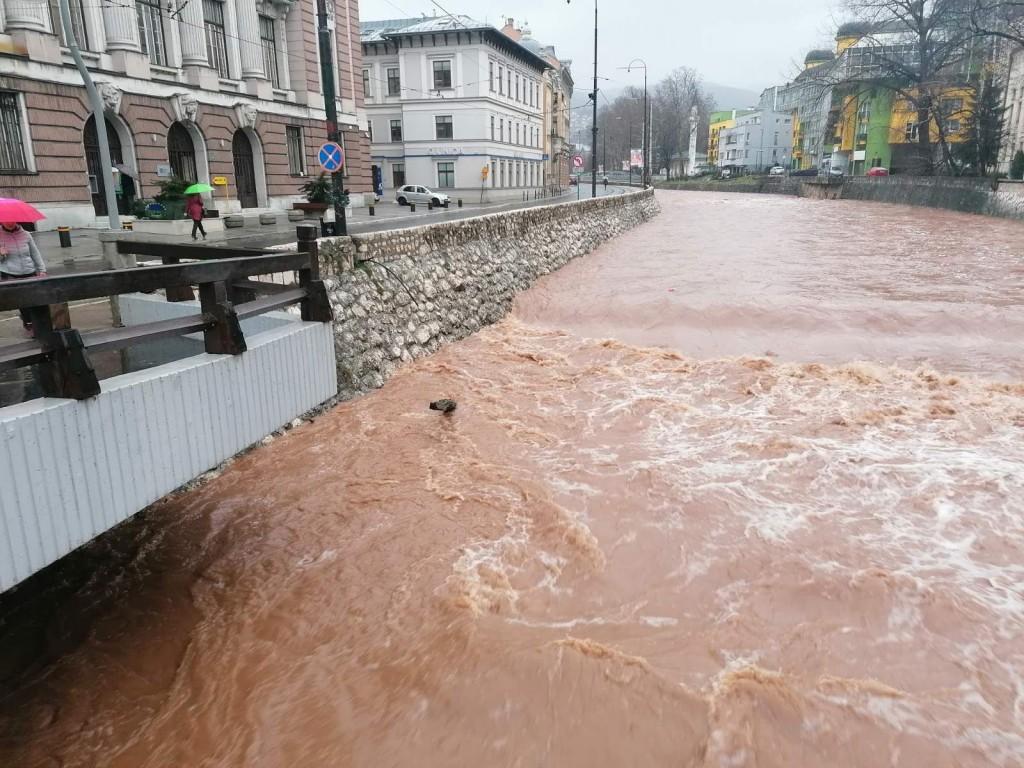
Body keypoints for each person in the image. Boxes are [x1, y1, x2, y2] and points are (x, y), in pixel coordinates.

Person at [0, 221, 47, 335]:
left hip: (29, 271)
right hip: (10, 273)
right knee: (21, 300)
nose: (10, 222)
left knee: (35, 299)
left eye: (13, 219)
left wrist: (42, 270)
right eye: (7, 220)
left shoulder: (26, 234)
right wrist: (1, 254)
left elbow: (35, 253)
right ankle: (29, 323)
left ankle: (39, 322)